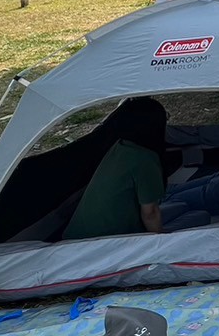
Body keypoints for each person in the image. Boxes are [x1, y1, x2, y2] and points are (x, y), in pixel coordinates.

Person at [62, 98, 169, 240]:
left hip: (76, 236)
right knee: (197, 216)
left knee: (180, 205)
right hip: (103, 242)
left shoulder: (120, 146)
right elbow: (150, 213)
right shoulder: (145, 159)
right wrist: (161, 242)